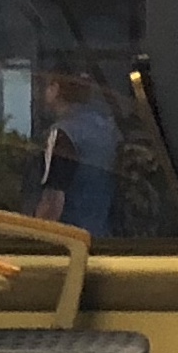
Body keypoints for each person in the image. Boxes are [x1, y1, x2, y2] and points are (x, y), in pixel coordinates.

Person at [34, 70, 120, 236]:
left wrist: (34, 238)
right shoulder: (105, 126)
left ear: (55, 88)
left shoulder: (63, 133)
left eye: (43, 87)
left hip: (70, 235)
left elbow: (53, 201)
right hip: (102, 233)